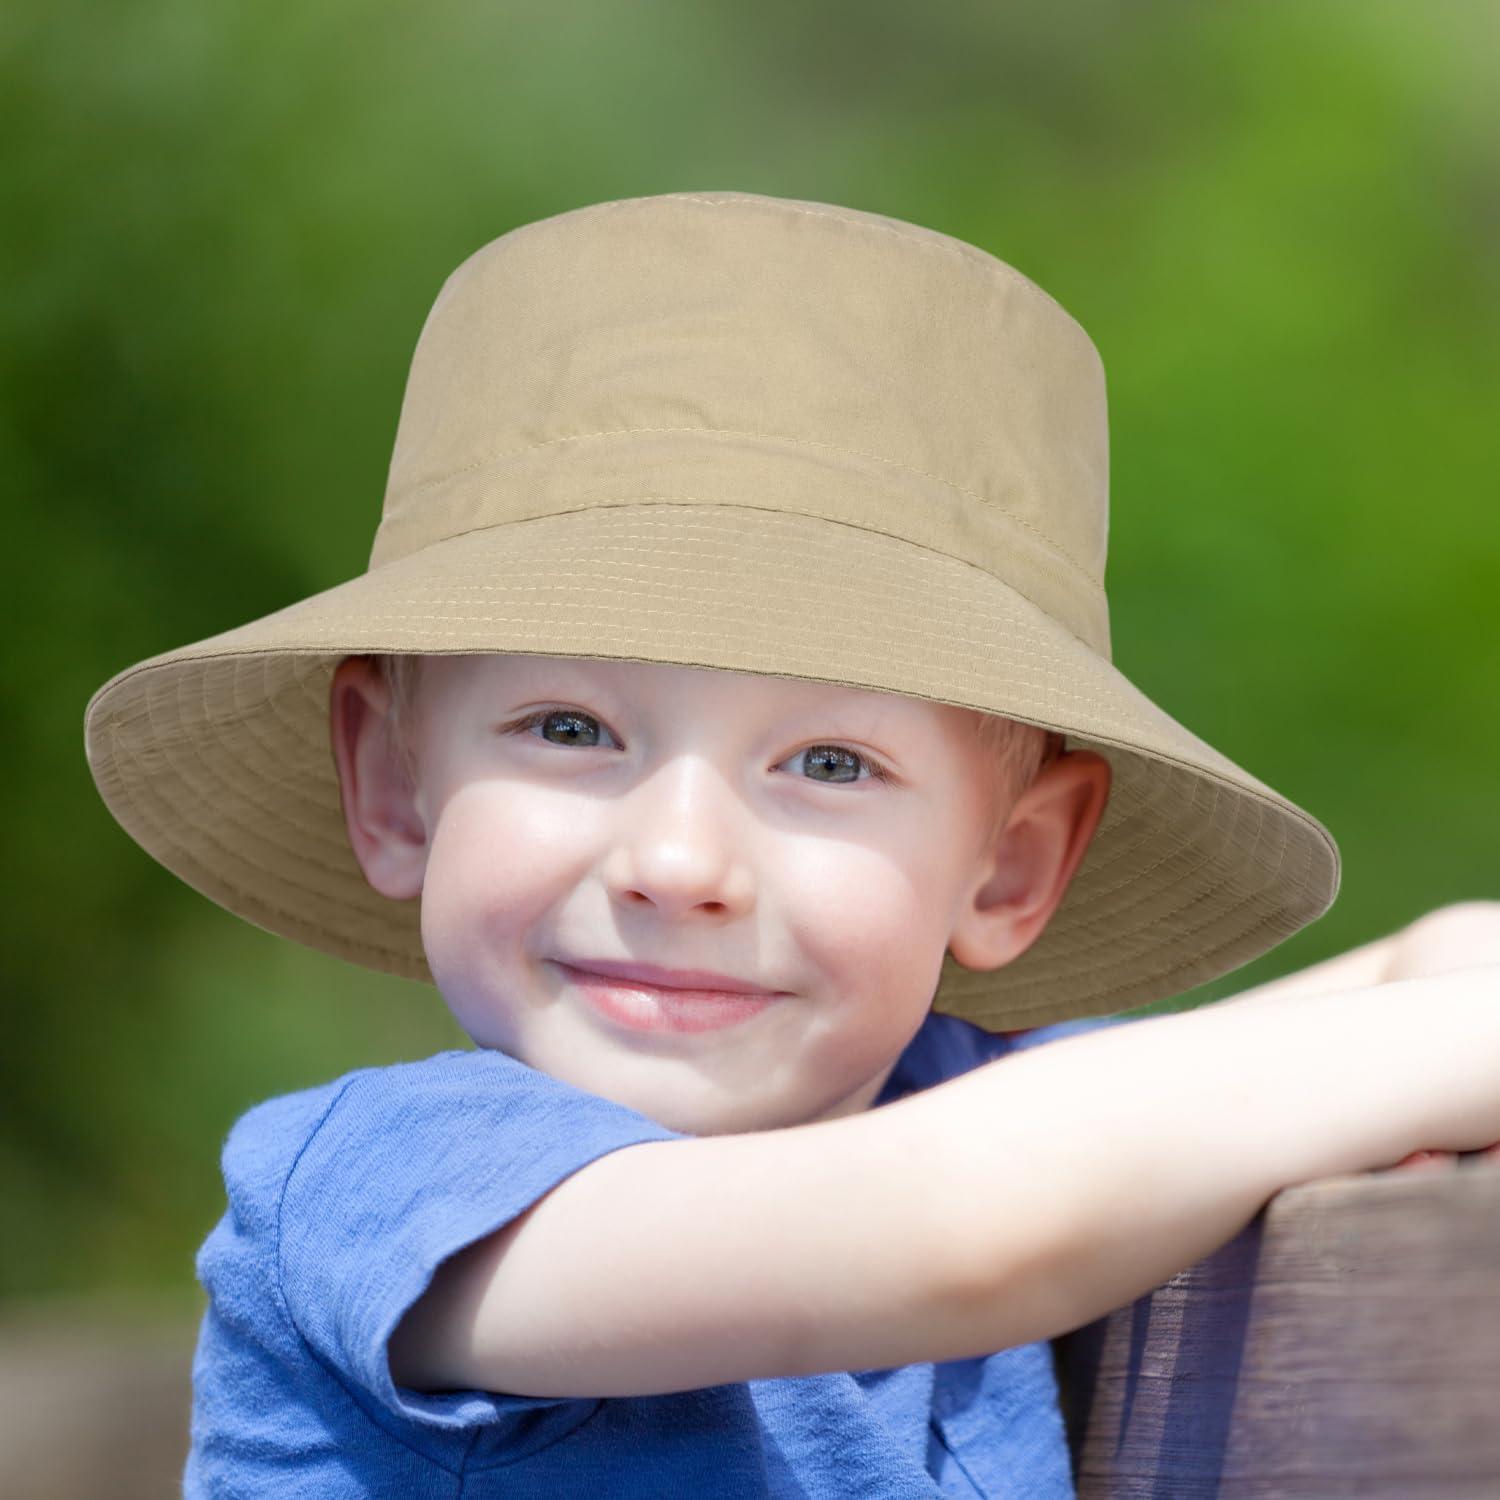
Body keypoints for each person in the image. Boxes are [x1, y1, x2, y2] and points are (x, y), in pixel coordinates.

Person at [83, 190, 1500, 1497]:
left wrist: (1441, 961)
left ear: (1008, 866)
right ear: (393, 786)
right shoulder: (384, 1192)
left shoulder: (941, 1104)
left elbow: (1218, 1067)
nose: (680, 861)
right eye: (571, 729)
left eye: (828, 763)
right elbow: (967, 1224)